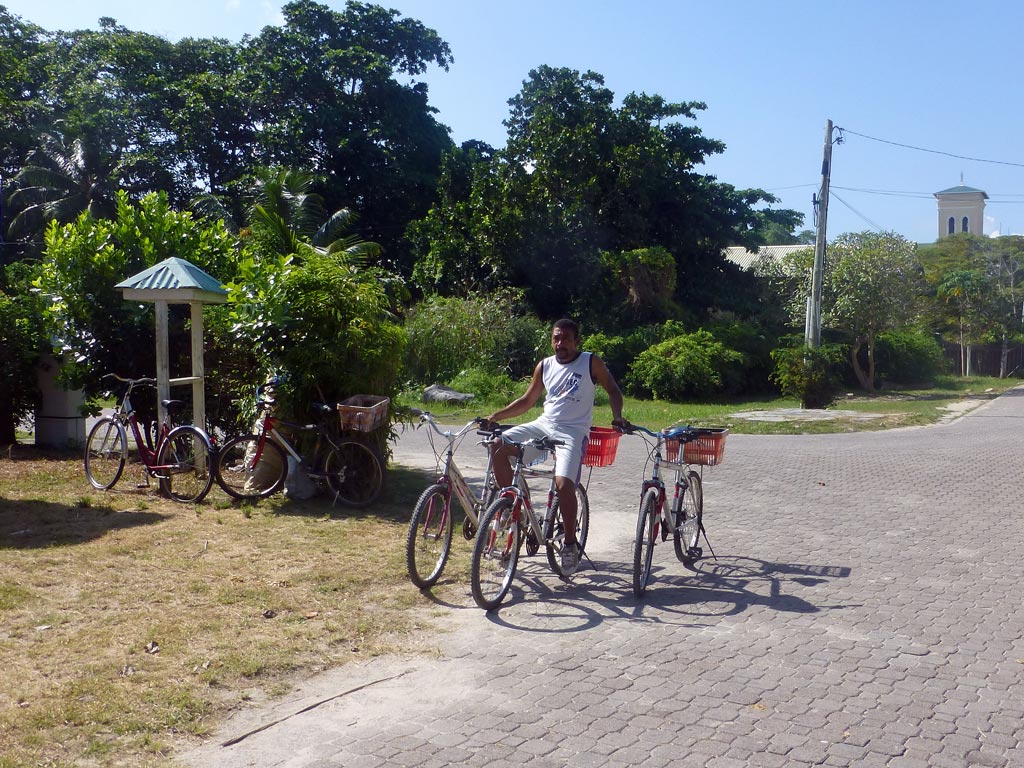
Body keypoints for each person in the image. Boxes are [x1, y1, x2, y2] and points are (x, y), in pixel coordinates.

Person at [482, 318, 627, 575]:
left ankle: (569, 544)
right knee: (497, 445)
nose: (560, 344)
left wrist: (617, 417)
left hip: (573, 432)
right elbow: (527, 400)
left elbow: (614, 390)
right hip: (543, 425)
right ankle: (513, 506)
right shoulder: (545, 365)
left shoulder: (590, 362)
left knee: (563, 485)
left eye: (566, 339)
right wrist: (496, 416)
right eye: (556, 339)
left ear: (577, 341)